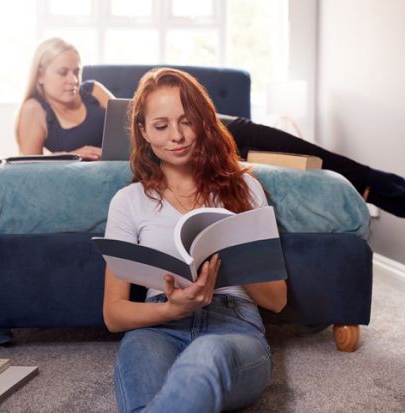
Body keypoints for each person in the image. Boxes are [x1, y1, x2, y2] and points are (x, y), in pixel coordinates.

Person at [16, 37, 405, 218]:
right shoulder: (35, 112)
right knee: (252, 154)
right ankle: (368, 186)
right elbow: (33, 171)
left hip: (192, 127)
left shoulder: (93, 91)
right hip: (167, 146)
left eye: (77, 69)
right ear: (40, 75)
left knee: (256, 135)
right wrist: (73, 156)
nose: (73, 78)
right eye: (63, 72)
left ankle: (366, 179)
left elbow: (128, 127)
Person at [103, 67, 288, 412]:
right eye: (161, 126)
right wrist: (174, 307)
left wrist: (232, 255)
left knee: (206, 355)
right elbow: (114, 314)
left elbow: (277, 300)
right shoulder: (127, 201)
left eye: (186, 121)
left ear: (203, 122)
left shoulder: (244, 188)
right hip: (158, 324)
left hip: (232, 323)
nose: (177, 136)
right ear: (143, 132)